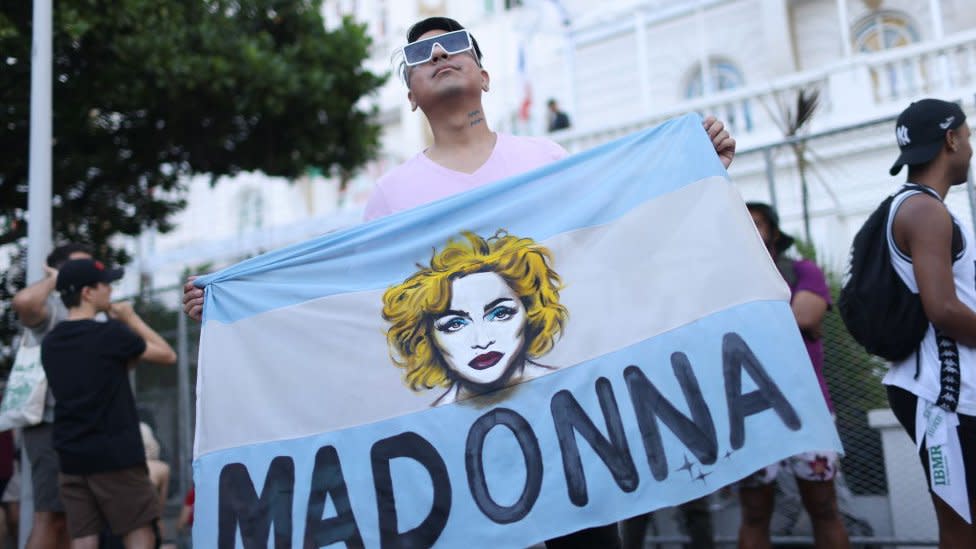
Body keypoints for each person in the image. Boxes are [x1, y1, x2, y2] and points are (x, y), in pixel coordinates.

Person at [180, 15, 735, 548]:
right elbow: (353, 307)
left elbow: (609, 243)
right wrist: (238, 309)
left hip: (565, 417)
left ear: (485, 75)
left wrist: (693, 168)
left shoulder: (544, 158)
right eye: (418, 56)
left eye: (455, 44)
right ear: (411, 95)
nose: (439, 54)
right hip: (457, 438)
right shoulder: (391, 196)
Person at [883, 98, 976, 546]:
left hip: (949, 392)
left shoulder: (925, 208)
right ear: (951, 139)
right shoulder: (923, 210)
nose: (971, 147)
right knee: (962, 527)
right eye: (969, 136)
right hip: (943, 398)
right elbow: (943, 309)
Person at [40, 259, 177, 549]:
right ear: (88, 293)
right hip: (116, 455)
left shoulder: (51, 342)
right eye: (106, 285)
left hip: (71, 454)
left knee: (84, 537)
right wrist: (130, 318)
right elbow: (167, 355)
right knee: (139, 529)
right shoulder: (111, 335)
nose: (111, 291)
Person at [736, 202, 849, 549]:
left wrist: (744, 317)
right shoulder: (729, 279)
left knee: (824, 506)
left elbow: (805, 317)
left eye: (758, 222)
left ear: (773, 230)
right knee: (754, 513)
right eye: (744, 222)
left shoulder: (803, 271)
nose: (751, 229)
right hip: (752, 410)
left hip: (806, 406)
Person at [382, 230, 567, 405]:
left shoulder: (576, 383)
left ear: (531, 312)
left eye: (501, 314)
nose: (483, 341)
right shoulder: (424, 425)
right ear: (426, 337)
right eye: (454, 324)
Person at [12, 243, 93, 549]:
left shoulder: (89, 309)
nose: (89, 272)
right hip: (49, 424)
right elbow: (24, 301)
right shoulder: (53, 308)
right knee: (51, 516)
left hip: (81, 424)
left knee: (77, 517)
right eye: (78, 266)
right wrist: (55, 279)